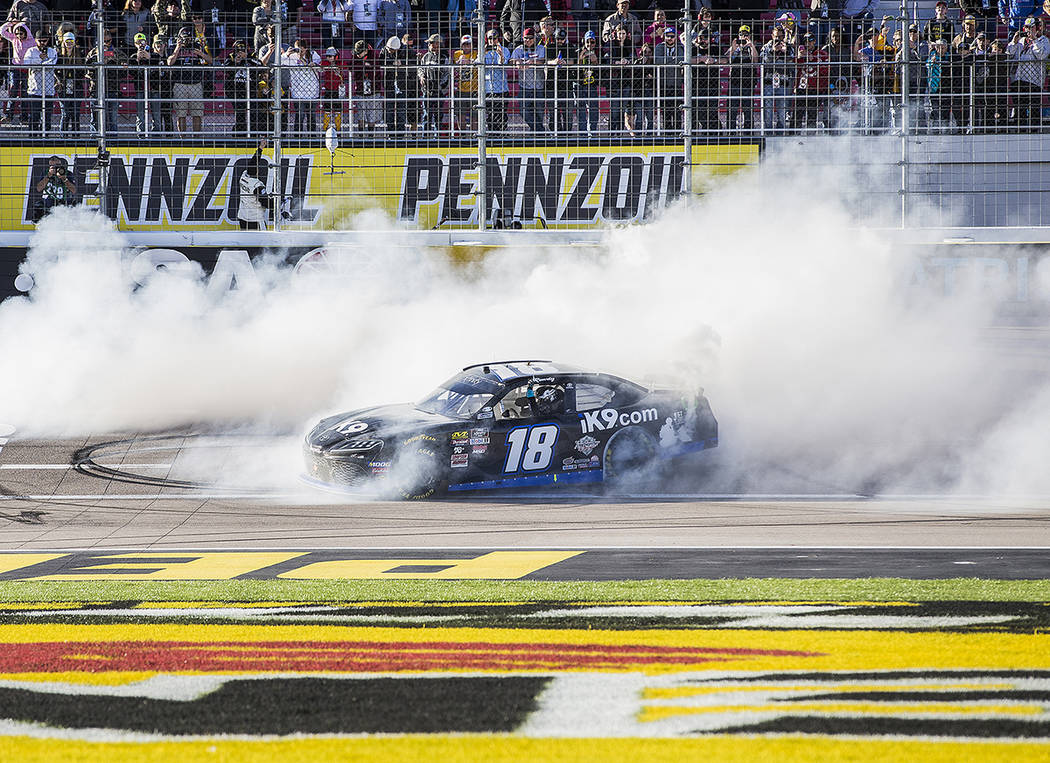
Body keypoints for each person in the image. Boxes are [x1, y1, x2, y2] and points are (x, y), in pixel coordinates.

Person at [168, 26, 213, 133]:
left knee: (197, 113)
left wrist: (201, 54)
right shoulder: (174, 47)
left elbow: (210, 60)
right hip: (180, 84)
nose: (186, 41)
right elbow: (169, 62)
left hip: (195, 84)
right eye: (184, 38)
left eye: (188, 38)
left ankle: (196, 138)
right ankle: (182, 138)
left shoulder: (197, 46)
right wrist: (178, 48)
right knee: (181, 114)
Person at [1007, 16, 1049, 128]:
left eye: (1031, 27)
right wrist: (1014, 42)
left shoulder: (1044, 40)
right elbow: (1009, 54)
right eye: (1026, 27)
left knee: (1034, 108)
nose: (1028, 30)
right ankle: (1019, 129)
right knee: (1019, 107)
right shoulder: (1021, 40)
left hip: (1034, 80)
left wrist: (1034, 40)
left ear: (1038, 28)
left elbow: (1042, 55)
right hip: (1018, 79)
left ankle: (1034, 130)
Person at [1, 18, 35, 126]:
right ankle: (9, 115)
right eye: (17, 33)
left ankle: (24, 117)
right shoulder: (14, 39)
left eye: (21, 34)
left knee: (25, 92)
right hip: (16, 68)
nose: (19, 36)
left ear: (25, 33)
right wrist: (11, 23)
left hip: (26, 69)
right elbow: (2, 30)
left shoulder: (31, 41)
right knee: (14, 91)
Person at [511, 26, 545, 131]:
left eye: (530, 38)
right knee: (523, 110)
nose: (528, 40)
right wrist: (518, 62)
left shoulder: (541, 48)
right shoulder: (519, 49)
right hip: (524, 85)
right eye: (526, 38)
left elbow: (543, 61)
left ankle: (536, 133)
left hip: (538, 85)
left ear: (535, 38)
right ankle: (539, 131)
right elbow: (512, 60)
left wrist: (532, 62)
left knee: (539, 112)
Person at [761, 24, 794, 131]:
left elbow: (793, 62)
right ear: (772, 36)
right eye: (776, 37)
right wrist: (773, 52)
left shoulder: (788, 47)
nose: (778, 39)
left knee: (782, 110)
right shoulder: (766, 47)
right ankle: (768, 131)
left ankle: (781, 132)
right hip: (768, 82)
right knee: (768, 110)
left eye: (780, 37)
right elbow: (763, 62)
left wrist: (786, 52)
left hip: (783, 82)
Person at [725, 23, 758, 132]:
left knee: (748, 109)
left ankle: (748, 131)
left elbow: (755, 61)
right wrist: (734, 49)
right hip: (734, 82)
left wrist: (751, 46)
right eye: (741, 34)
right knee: (732, 108)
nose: (743, 37)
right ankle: (731, 131)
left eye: (746, 35)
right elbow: (727, 60)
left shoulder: (751, 47)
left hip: (748, 82)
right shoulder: (734, 47)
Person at [225, 39, 260, 135]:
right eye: (238, 50)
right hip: (235, 90)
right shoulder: (231, 57)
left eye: (243, 49)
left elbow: (260, 65)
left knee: (253, 112)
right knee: (239, 113)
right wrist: (236, 62)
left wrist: (247, 58)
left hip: (250, 88)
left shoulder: (252, 56)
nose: (240, 52)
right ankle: (239, 133)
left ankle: (253, 133)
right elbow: (225, 68)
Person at [23, 31, 56, 134]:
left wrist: (38, 64)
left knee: (47, 115)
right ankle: (33, 135)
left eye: (44, 41)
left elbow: (52, 63)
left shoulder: (52, 51)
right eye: (40, 41)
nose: (42, 43)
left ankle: (46, 135)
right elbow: (27, 63)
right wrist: (39, 59)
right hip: (34, 89)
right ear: (35, 40)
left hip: (48, 89)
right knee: (34, 115)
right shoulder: (31, 51)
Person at [795, 32, 828, 130]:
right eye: (805, 41)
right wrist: (799, 57)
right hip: (802, 87)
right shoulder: (801, 53)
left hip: (815, 88)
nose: (807, 44)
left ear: (814, 41)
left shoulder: (822, 54)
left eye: (810, 41)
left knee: (812, 115)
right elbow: (795, 66)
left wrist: (813, 60)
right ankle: (794, 135)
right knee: (797, 114)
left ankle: (811, 135)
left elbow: (825, 70)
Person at [604, 24, 633, 133]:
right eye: (619, 33)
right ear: (615, 34)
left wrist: (627, 61)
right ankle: (612, 132)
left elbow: (633, 57)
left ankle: (620, 132)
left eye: (623, 33)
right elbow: (606, 59)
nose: (621, 36)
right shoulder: (610, 44)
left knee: (622, 109)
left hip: (626, 80)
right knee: (614, 110)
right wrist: (616, 62)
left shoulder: (629, 45)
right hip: (613, 81)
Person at [653, 26, 682, 134]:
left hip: (676, 83)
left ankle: (678, 131)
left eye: (672, 36)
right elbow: (658, 60)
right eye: (667, 36)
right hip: (663, 84)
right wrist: (673, 60)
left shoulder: (680, 47)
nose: (670, 38)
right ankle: (667, 132)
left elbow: (681, 60)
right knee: (666, 110)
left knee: (677, 110)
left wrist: (667, 61)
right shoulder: (659, 47)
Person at [481, 28, 510, 132]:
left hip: (501, 88)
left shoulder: (505, 50)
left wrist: (500, 54)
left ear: (498, 39)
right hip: (488, 89)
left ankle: (502, 135)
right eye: (490, 38)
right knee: (491, 114)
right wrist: (483, 53)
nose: (492, 41)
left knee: (502, 114)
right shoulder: (483, 50)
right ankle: (492, 134)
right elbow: (476, 64)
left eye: (494, 38)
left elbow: (503, 65)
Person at [418, 33, 449, 131]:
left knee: (438, 116)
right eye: (431, 44)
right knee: (426, 115)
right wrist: (422, 76)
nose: (433, 46)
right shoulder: (425, 57)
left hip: (439, 92)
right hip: (426, 91)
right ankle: (425, 138)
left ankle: (437, 138)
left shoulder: (444, 58)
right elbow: (420, 69)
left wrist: (440, 87)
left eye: (436, 44)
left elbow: (446, 74)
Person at [237, 139, 270, 230]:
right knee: (263, 242)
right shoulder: (257, 185)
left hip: (242, 217)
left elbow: (253, 162)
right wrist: (278, 201)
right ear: (257, 171)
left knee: (246, 241)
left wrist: (260, 149)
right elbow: (266, 203)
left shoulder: (243, 176)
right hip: (255, 219)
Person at [33, 156, 76, 223]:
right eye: (53, 166)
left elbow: (74, 190)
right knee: (38, 206)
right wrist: (48, 176)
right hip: (50, 201)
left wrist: (64, 179)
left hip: (65, 201)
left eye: (57, 166)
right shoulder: (45, 173)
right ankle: (41, 226)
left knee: (74, 205)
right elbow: (39, 189)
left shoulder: (67, 173)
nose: (56, 168)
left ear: (61, 165)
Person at [348, 38, 379, 131]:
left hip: (373, 89)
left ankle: (371, 135)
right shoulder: (355, 57)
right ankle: (361, 135)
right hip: (360, 89)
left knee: (371, 114)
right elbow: (350, 67)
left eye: (359, 53)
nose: (358, 55)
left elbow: (376, 69)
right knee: (360, 114)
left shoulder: (373, 56)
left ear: (365, 51)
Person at [54, 31, 83, 133]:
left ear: (74, 42)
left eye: (71, 41)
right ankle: (64, 136)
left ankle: (76, 135)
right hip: (64, 86)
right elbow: (55, 71)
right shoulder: (59, 56)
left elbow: (82, 72)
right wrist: (58, 80)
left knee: (75, 113)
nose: (69, 43)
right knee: (65, 113)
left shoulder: (80, 54)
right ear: (63, 42)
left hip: (77, 86)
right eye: (67, 41)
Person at [575, 29, 599, 134]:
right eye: (587, 41)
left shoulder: (598, 52)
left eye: (592, 42)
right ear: (583, 42)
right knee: (580, 109)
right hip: (580, 84)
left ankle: (592, 132)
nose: (590, 44)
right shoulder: (578, 51)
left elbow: (601, 71)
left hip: (592, 84)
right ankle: (582, 133)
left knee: (593, 109)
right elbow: (574, 71)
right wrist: (580, 59)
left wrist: (596, 62)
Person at [452, 34, 476, 133]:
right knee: (460, 115)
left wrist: (471, 62)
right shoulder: (457, 54)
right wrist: (459, 63)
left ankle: (474, 136)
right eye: (464, 45)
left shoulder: (476, 53)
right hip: (461, 89)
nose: (466, 47)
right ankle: (462, 136)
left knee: (474, 116)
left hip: (475, 89)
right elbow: (454, 69)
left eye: (468, 45)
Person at [320, 46, 344, 130]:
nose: (328, 58)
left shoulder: (339, 64)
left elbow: (344, 69)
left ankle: (338, 128)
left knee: (337, 110)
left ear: (335, 56)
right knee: (327, 110)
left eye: (330, 56)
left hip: (337, 90)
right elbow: (321, 68)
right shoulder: (325, 63)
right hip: (328, 89)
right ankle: (325, 128)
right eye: (327, 56)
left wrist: (336, 68)